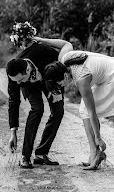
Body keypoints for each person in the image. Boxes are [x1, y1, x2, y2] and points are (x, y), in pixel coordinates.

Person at [37, 37, 114, 170]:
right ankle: (95, 153)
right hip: (111, 67)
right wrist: (39, 39)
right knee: (84, 110)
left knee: (85, 111)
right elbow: (66, 43)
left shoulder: (81, 79)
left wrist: (99, 138)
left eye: (59, 85)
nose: (61, 88)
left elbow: (91, 111)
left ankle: (95, 153)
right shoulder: (63, 61)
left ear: (64, 76)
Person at [7, 22, 70, 168]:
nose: (18, 84)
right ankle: (25, 156)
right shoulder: (15, 76)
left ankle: (42, 153)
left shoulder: (42, 51)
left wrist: (57, 89)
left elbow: (61, 66)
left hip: (48, 78)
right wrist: (13, 131)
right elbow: (13, 101)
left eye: (20, 80)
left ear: (27, 70)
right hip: (31, 86)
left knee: (58, 110)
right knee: (37, 109)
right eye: (16, 82)